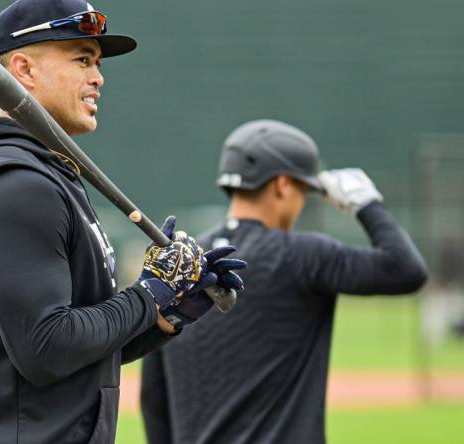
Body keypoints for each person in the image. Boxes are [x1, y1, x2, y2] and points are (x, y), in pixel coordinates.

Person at [0, 1, 245, 443]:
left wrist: (167, 313)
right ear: (23, 69)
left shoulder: (48, 176)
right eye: (82, 59)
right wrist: (149, 293)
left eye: (97, 63)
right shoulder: (17, 184)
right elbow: (47, 347)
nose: (98, 77)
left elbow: (80, 354)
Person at [140, 119, 429, 444]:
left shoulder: (184, 262)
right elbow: (406, 270)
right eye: (303, 189)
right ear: (282, 185)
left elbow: (153, 398)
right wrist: (366, 205)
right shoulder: (303, 255)